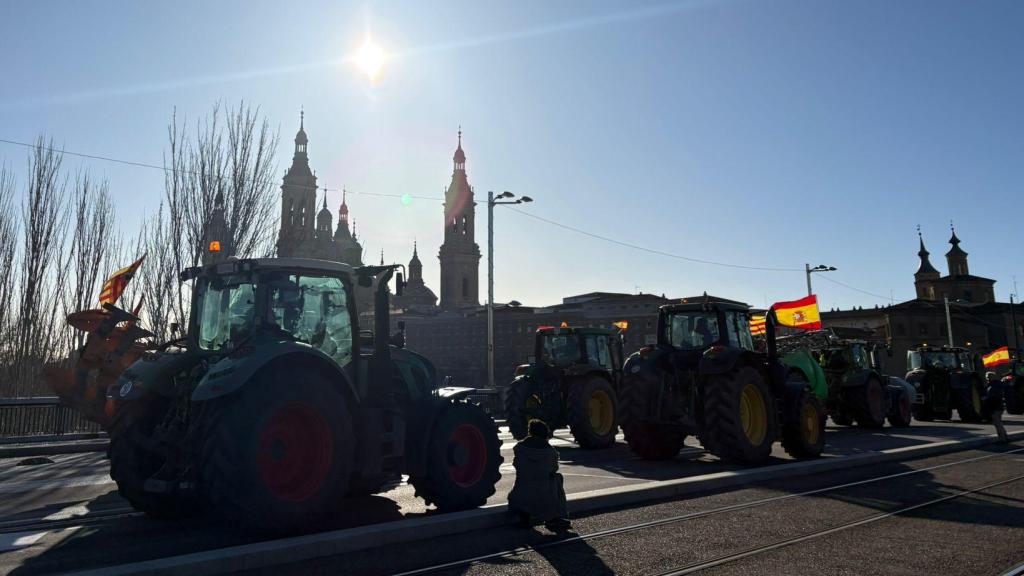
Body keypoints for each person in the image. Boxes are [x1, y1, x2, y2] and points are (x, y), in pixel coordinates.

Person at [507, 419, 570, 531]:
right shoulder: (550, 451)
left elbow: (517, 465)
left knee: (523, 479)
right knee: (557, 478)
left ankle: (522, 516)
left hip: (520, 494)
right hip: (543, 496)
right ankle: (556, 517)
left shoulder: (519, 448)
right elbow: (554, 469)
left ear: (530, 431)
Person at [985, 371, 1009, 443]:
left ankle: (1002, 439)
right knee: (999, 423)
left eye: (988, 377)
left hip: (995, 406)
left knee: (997, 424)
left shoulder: (993, 385)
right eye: (987, 377)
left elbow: (994, 396)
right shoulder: (996, 384)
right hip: (998, 406)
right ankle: (1005, 437)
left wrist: (986, 398)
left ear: (991, 377)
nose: (987, 378)